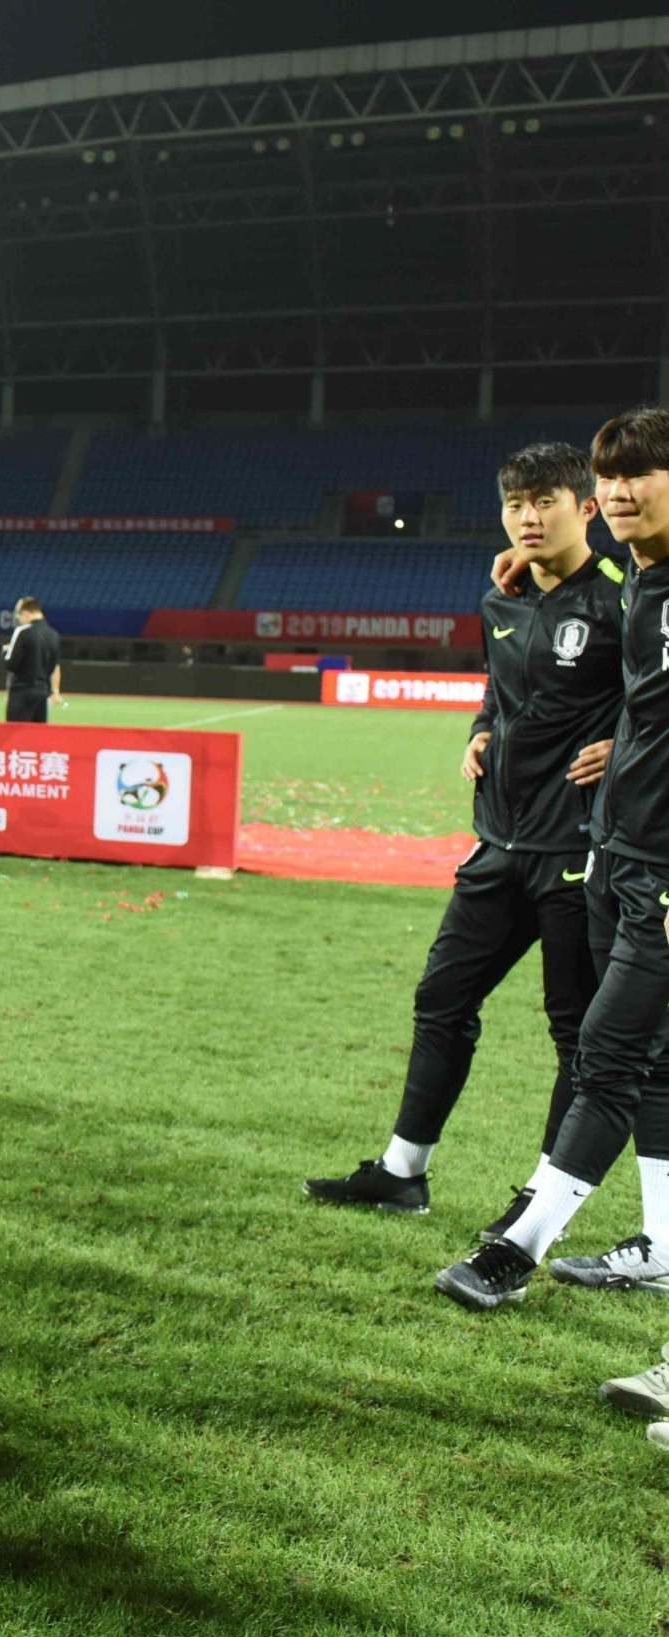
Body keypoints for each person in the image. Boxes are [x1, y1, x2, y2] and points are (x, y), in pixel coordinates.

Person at [305, 442, 620, 1238]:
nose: (528, 516)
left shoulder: (627, 598)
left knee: (574, 1031)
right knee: (441, 1000)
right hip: (499, 842)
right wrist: (481, 731)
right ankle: (402, 1172)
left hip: (578, 851)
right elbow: (499, 692)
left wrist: (626, 743)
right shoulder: (499, 600)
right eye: (516, 502)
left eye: (546, 500)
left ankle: (542, 1200)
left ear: (585, 508)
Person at [438, 407, 669, 1310]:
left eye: (638, 475)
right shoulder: (640, 581)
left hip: (661, 866)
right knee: (652, 1066)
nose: (617, 492)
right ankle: (659, 1244)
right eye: (609, 478)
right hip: (615, 848)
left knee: (605, 1055)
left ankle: (516, 1249)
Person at [1, 597, 60, 722]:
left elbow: (10, 664)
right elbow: (53, 666)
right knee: (36, 736)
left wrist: (5, 651)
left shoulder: (22, 632)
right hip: (42, 692)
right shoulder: (53, 634)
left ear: (26, 613)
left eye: (20, 616)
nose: (20, 620)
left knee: (14, 735)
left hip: (21, 692)